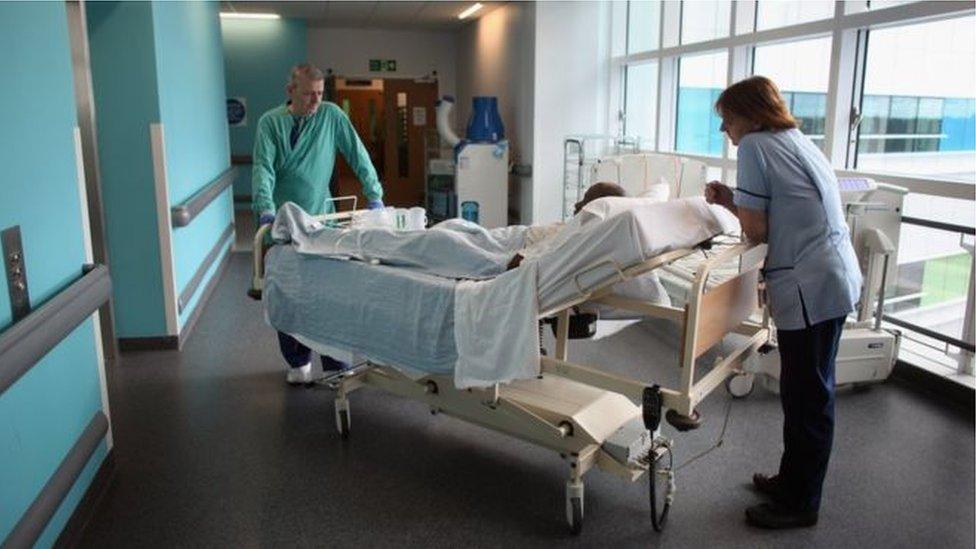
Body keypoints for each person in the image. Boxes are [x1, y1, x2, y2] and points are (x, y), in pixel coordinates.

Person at [705, 76, 862, 529]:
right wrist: (736, 200)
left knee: (808, 396)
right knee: (807, 390)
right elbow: (781, 211)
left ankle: (800, 502)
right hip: (832, 275)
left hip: (810, 284)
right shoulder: (795, 138)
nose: (725, 132)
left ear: (751, 116)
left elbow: (758, 230)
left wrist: (735, 206)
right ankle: (793, 481)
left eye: (727, 120)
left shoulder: (754, 146)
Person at [253, 63, 386, 385]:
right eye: (308, 94)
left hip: (322, 220)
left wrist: (375, 195)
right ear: (291, 91)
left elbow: (357, 153)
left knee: (330, 295)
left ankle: (335, 363)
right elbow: (263, 169)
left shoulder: (331, 116)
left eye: (319, 94)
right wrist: (266, 212)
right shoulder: (271, 123)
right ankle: (298, 362)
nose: (315, 101)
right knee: (287, 294)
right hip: (283, 223)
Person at [507, 182, 626, 269]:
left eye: (585, 200)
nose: (576, 204)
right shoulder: (579, 230)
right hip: (524, 235)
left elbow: (517, 262)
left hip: (519, 242)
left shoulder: (577, 236)